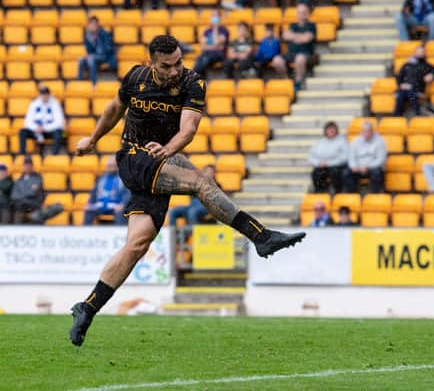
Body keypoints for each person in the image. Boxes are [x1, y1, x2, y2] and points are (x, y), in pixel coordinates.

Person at [69, 35, 305, 347]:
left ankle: (87, 307)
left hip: (159, 157)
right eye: (168, 65)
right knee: (199, 183)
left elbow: (188, 130)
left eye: (179, 61)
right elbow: (115, 108)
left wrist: (167, 150)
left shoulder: (193, 84)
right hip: (133, 158)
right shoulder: (135, 77)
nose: (176, 69)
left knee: (137, 244)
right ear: (153, 62)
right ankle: (261, 237)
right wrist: (93, 139)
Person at [272, 3, 316, 92]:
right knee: (276, 60)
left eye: (303, 12)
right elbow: (285, 36)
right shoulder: (293, 25)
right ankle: (287, 81)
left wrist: (293, 36)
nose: (300, 15)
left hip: (306, 53)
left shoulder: (311, 26)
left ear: (307, 14)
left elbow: (306, 39)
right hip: (291, 53)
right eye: (298, 12)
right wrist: (300, 36)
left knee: (299, 58)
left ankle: (298, 82)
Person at [10, 156, 63, 224]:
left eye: (29, 165)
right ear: (23, 166)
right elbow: (14, 196)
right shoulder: (19, 180)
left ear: (32, 166)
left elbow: (33, 192)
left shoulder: (37, 178)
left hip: (34, 207)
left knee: (37, 216)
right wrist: (27, 193)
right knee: (17, 216)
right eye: (26, 165)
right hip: (22, 208)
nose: (27, 167)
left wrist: (22, 193)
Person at [394, 45, 434, 116]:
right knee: (401, 94)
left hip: (417, 89)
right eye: (418, 51)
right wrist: (401, 85)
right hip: (404, 89)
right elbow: (399, 77)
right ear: (414, 52)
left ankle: (417, 114)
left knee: (410, 92)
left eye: (422, 52)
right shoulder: (406, 65)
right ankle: (397, 116)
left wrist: (432, 75)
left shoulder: (426, 66)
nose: (420, 53)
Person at [83, 156, 130, 226]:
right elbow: (93, 193)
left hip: (116, 205)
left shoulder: (123, 179)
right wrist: (90, 203)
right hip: (100, 205)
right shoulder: (101, 178)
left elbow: (128, 194)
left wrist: (122, 204)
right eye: (109, 165)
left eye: (112, 165)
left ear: (117, 166)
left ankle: (120, 233)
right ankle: (85, 232)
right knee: (88, 210)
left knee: (120, 212)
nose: (110, 167)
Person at [19, 86, 65, 155]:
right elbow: (27, 121)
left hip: (49, 131)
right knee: (22, 132)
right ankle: (22, 154)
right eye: (42, 94)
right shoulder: (34, 104)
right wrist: (36, 128)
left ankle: (54, 155)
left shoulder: (55, 104)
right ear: (40, 94)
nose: (44, 96)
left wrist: (45, 128)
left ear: (49, 94)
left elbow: (59, 122)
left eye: (45, 94)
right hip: (36, 130)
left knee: (58, 133)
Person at [343, 122, 387, 194]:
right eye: (364, 131)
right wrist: (354, 167)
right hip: (358, 168)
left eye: (368, 131)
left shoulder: (380, 141)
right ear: (361, 132)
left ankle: (374, 195)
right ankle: (352, 195)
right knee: (346, 173)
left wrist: (368, 167)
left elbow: (381, 159)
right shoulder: (355, 141)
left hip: (373, 167)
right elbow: (351, 157)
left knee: (377, 173)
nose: (366, 133)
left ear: (372, 131)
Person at [309, 121, 349, 193]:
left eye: (333, 129)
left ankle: (338, 192)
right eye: (329, 129)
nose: (331, 131)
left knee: (335, 172)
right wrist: (318, 163)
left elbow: (345, 156)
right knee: (316, 173)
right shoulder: (320, 142)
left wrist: (329, 163)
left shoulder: (342, 141)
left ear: (336, 130)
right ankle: (320, 192)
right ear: (325, 131)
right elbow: (311, 156)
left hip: (337, 166)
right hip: (322, 166)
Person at [77, 16, 117, 85]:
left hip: (105, 56)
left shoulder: (104, 34)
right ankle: (79, 83)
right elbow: (89, 51)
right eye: (91, 24)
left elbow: (108, 49)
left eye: (94, 24)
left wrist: (97, 40)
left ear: (98, 25)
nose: (93, 26)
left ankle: (93, 83)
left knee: (91, 59)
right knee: (81, 60)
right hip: (95, 56)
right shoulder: (88, 36)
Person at [192, 9, 229, 77]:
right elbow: (203, 47)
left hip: (218, 54)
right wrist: (215, 47)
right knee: (199, 59)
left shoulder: (224, 31)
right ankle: (197, 78)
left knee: (205, 59)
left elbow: (216, 42)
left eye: (216, 15)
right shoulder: (207, 31)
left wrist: (215, 29)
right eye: (213, 15)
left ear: (219, 17)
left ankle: (195, 79)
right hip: (206, 53)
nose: (214, 17)